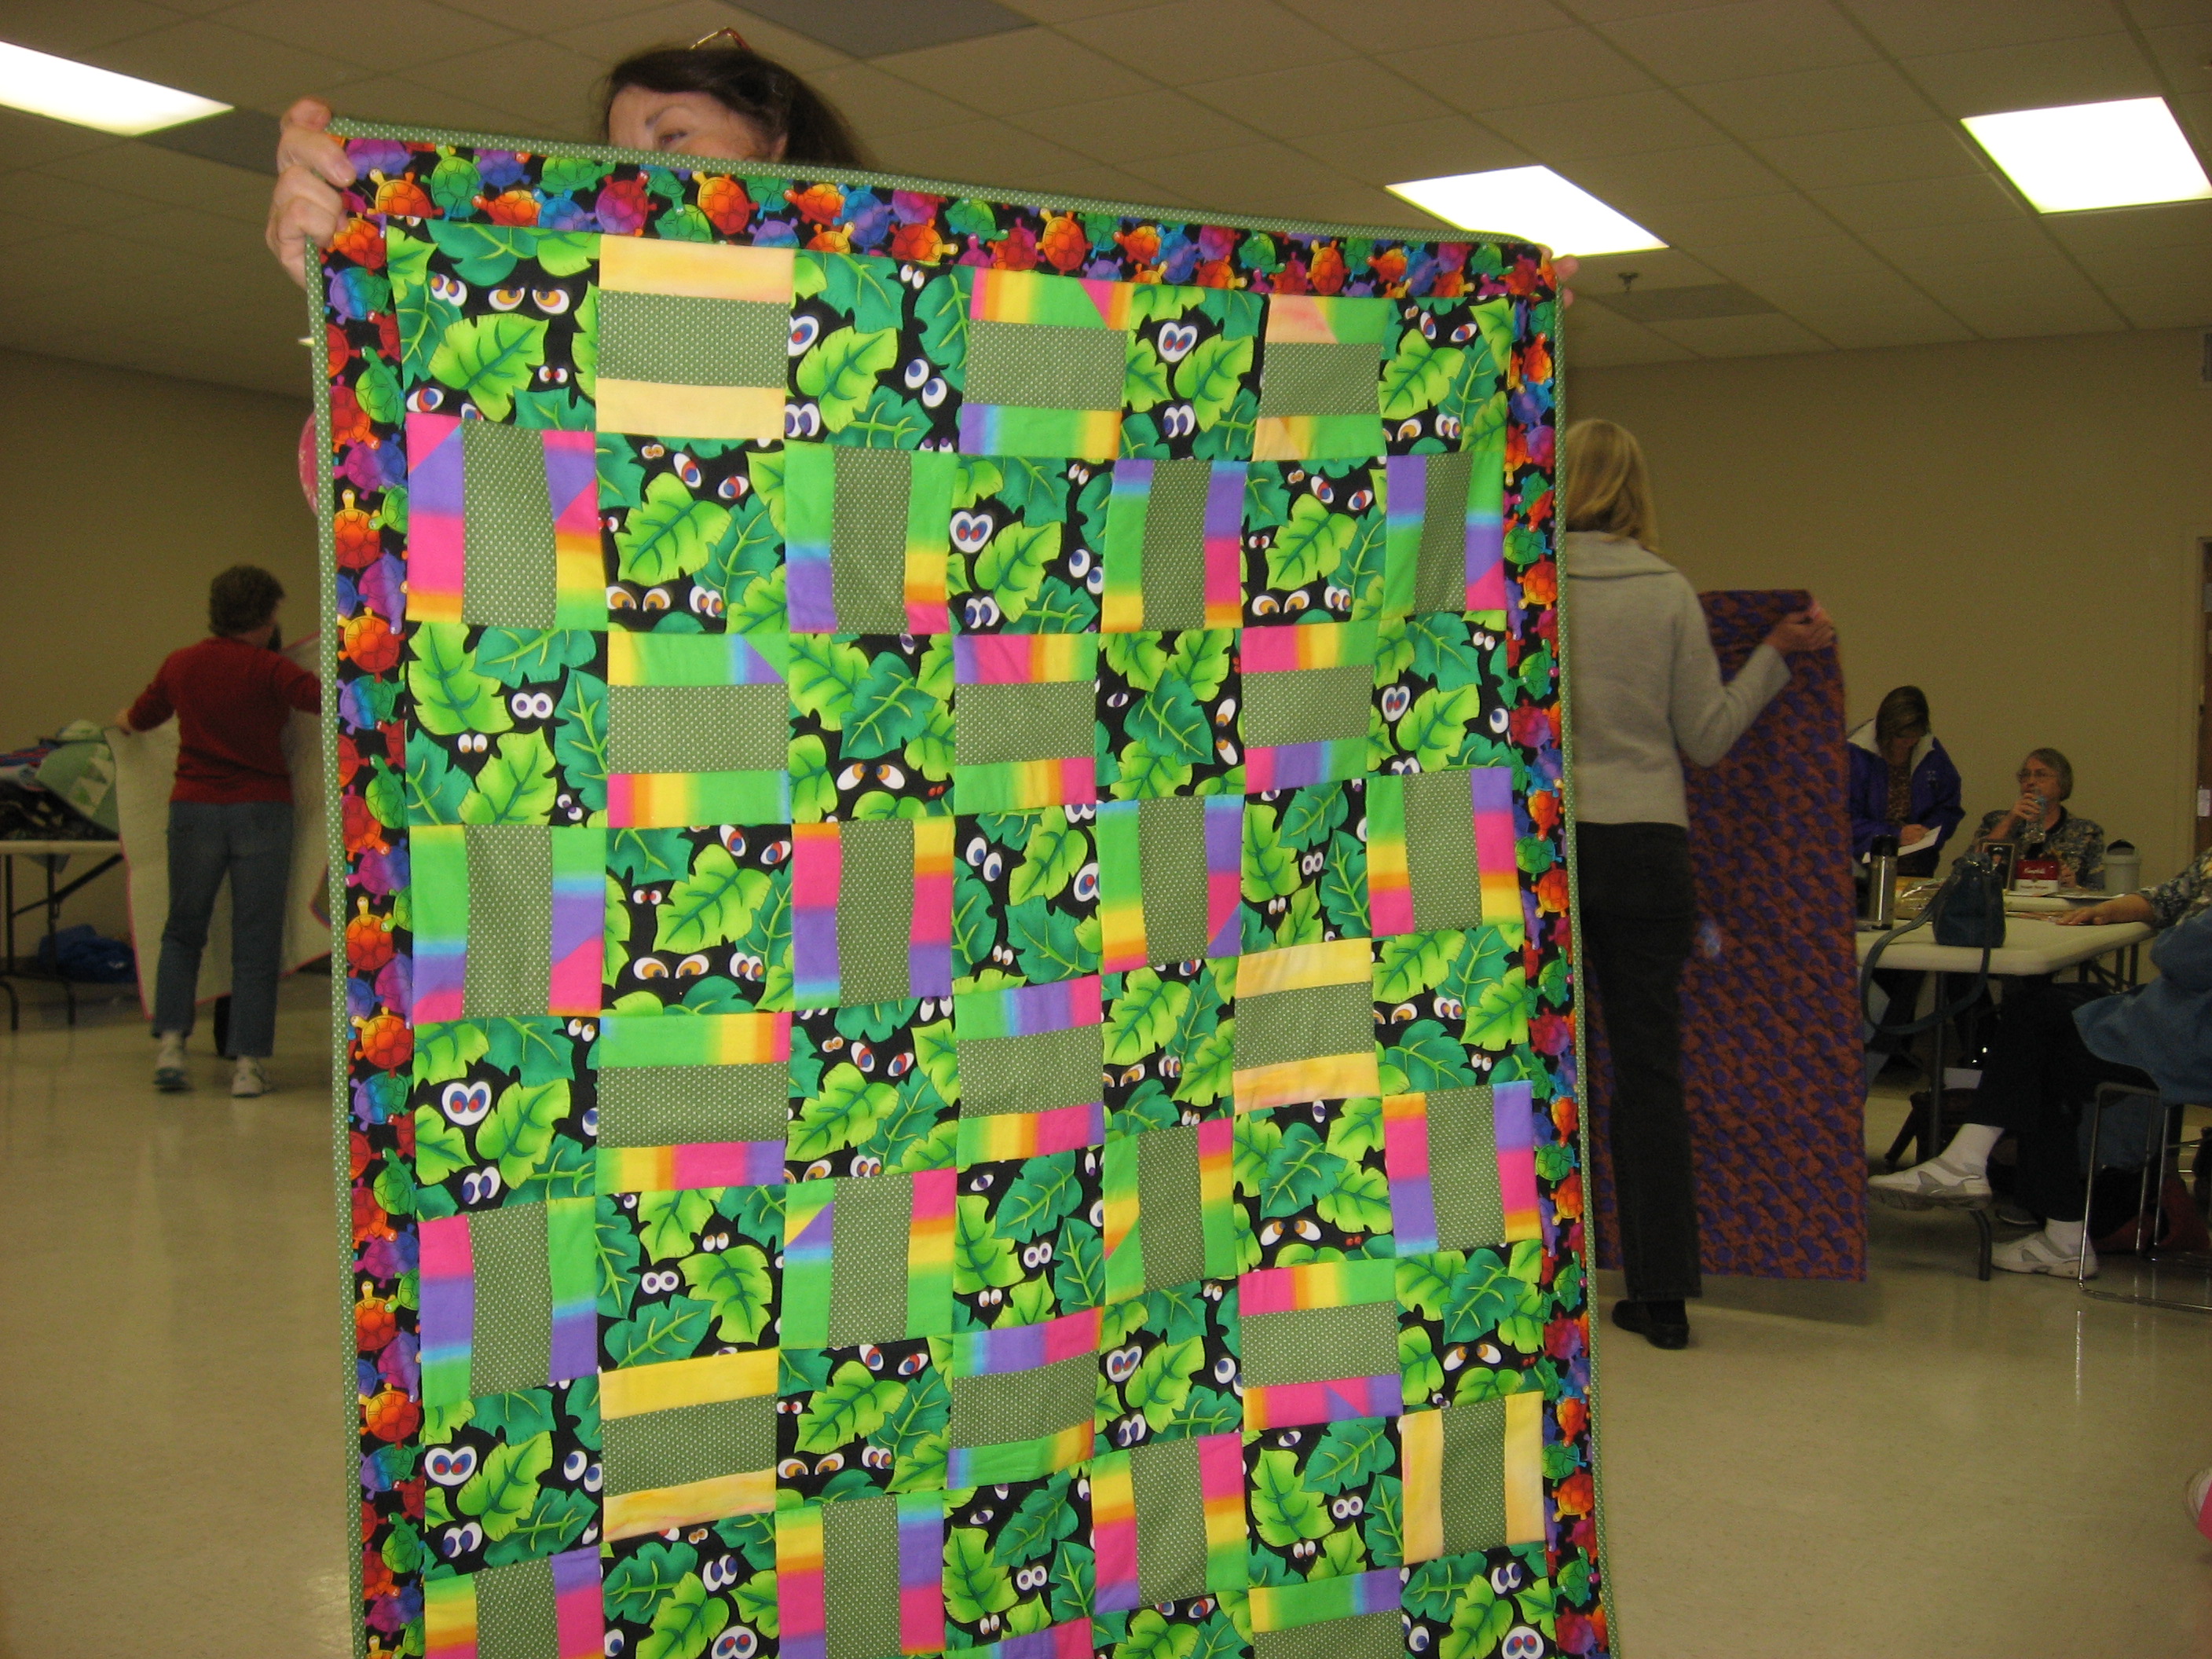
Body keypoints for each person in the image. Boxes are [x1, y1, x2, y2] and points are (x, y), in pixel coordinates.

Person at [1562, 419, 1835, 1349]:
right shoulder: (1665, 591)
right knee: (1647, 1075)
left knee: (1529, 1073)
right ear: (1635, 490)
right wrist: (1775, 653)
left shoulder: (1520, 588)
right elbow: (1707, 738)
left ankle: (1532, 1285)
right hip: (1647, 849)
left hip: (1545, 855)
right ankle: (1662, 1298)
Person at [265, 31, 868, 285]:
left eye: (673, 136)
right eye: (617, 164)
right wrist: (350, 274)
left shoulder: (882, 304)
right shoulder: (577, 321)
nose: (639, 182)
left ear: (777, 140)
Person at [1870, 848, 2212, 1273]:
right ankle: (1970, 1164)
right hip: (2177, 1022)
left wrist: (2181, 931)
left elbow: (2180, 954)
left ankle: (2041, 1218)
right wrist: (2106, 911)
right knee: (2045, 1011)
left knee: (2041, 1043)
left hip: (2187, 1043)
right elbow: (2167, 899)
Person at [115, 566, 321, 1096]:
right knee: (255, 940)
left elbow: (141, 718)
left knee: (184, 930)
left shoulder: (181, 665)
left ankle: (171, 1049)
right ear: (266, 616)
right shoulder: (272, 670)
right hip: (262, 811)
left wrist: (121, 721)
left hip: (195, 811)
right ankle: (247, 1066)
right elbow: (332, 700)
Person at [1847, 685, 1962, 877]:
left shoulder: (1930, 751)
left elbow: (1949, 806)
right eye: (1902, 736)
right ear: (1886, 729)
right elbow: (1844, 819)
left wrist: (1927, 831)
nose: (1909, 743)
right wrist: (1894, 835)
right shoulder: (1857, 754)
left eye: (1915, 736)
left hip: (1917, 868)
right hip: (1865, 870)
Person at [1971, 746, 2104, 888]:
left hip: (2061, 901)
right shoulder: (1995, 821)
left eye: (2041, 775)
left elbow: (2100, 891)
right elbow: (1966, 870)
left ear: (2062, 783)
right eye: (2025, 775)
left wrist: (2074, 887)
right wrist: (2009, 821)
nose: (2031, 781)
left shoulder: (2086, 832)